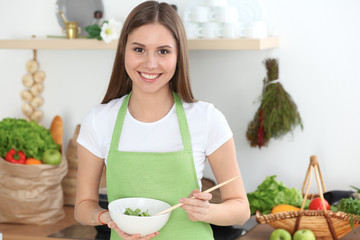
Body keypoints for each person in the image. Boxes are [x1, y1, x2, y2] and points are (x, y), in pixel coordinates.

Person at [74, 1, 250, 239]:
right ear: (123, 50)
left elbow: (240, 209)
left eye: (163, 51)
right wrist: (108, 218)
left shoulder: (207, 119)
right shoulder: (99, 120)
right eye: (139, 49)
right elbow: (83, 206)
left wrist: (207, 212)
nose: (150, 63)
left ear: (178, 56)